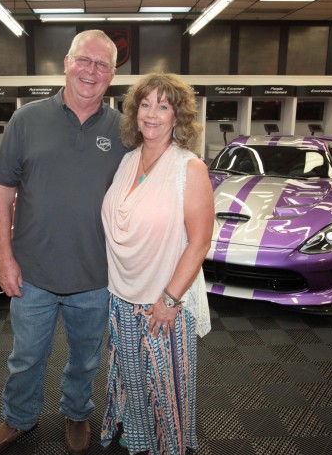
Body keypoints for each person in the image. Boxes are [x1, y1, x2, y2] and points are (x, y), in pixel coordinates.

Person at [0, 30, 127, 455]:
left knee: (85, 360)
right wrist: (3, 259)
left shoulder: (123, 130)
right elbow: (0, 193)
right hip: (32, 274)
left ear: (112, 75)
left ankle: (77, 414)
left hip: (95, 276)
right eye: (84, 60)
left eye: (101, 65)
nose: (90, 71)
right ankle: (18, 419)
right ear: (66, 62)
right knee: (25, 358)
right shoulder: (26, 120)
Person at [100, 73, 215, 454]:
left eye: (163, 106)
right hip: (121, 297)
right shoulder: (127, 160)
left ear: (177, 117)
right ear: (134, 113)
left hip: (163, 302)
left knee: (166, 387)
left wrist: (169, 299)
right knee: (132, 381)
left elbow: (199, 243)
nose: (152, 114)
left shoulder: (189, 168)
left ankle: (170, 446)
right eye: (145, 104)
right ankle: (138, 440)